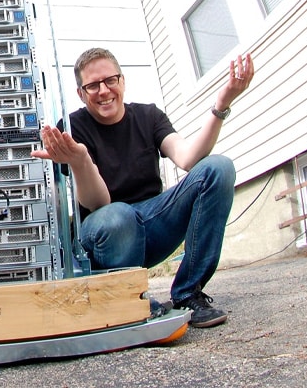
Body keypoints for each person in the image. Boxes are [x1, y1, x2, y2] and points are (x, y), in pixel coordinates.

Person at [31, 47, 254, 328]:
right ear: (81, 93)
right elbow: (97, 204)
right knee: (119, 216)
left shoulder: (149, 116)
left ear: (122, 81)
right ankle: (128, 298)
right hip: (105, 234)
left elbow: (187, 159)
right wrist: (81, 160)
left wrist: (221, 105)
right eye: (92, 85)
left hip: (152, 224)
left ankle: (188, 293)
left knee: (218, 168)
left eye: (110, 80)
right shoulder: (73, 128)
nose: (103, 91)